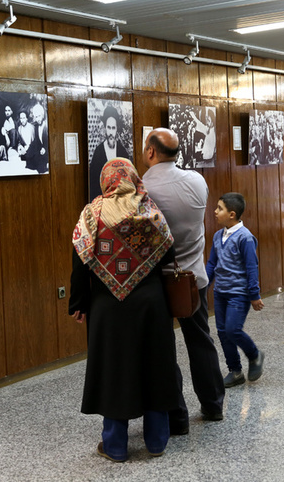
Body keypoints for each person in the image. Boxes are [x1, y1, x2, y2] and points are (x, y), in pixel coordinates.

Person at [69, 158, 179, 462]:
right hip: (150, 303)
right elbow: (169, 252)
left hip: (108, 307)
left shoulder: (92, 213)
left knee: (113, 369)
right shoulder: (149, 210)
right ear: (132, 178)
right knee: (155, 366)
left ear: (106, 180)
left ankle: (115, 446)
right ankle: (156, 441)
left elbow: (79, 258)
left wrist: (78, 302)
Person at [142, 128, 225, 434]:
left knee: (163, 349)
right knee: (201, 340)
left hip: (157, 283)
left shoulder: (143, 189)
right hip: (192, 278)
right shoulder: (197, 181)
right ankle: (213, 404)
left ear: (151, 151)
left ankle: (177, 416)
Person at [206, 192, 265, 388]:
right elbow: (212, 263)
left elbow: (251, 267)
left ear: (232, 214)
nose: (215, 211)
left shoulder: (245, 238)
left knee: (233, 329)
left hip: (239, 294)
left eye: (219, 208)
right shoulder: (218, 236)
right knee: (223, 332)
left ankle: (254, 355)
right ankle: (235, 371)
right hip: (220, 292)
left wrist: (254, 295)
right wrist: (203, 286)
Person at [89, 106, 131, 199]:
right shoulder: (98, 152)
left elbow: (128, 182)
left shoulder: (122, 152)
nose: (111, 132)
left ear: (116, 129)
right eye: (109, 128)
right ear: (105, 128)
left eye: (113, 128)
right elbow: (93, 184)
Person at [24, 102, 49, 173]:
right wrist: (28, 151)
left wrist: (45, 148)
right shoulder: (37, 127)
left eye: (39, 116)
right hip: (41, 150)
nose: (38, 119)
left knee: (40, 167)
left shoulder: (46, 126)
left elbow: (51, 142)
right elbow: (36, 141)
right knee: (29, 158)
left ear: (42, 115)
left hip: (47, 151)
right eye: (36, 117)